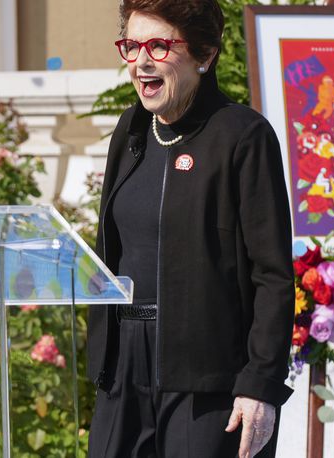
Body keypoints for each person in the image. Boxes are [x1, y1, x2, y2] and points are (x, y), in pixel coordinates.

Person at [87, 1, 295, 457]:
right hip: (124, 371)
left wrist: (260, 384)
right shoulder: (132, 131)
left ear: (204, 54)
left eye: (159, 46)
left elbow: (272, 274)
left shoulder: (242, 136)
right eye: (132, 45)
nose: (141, 61)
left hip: (208, 381)